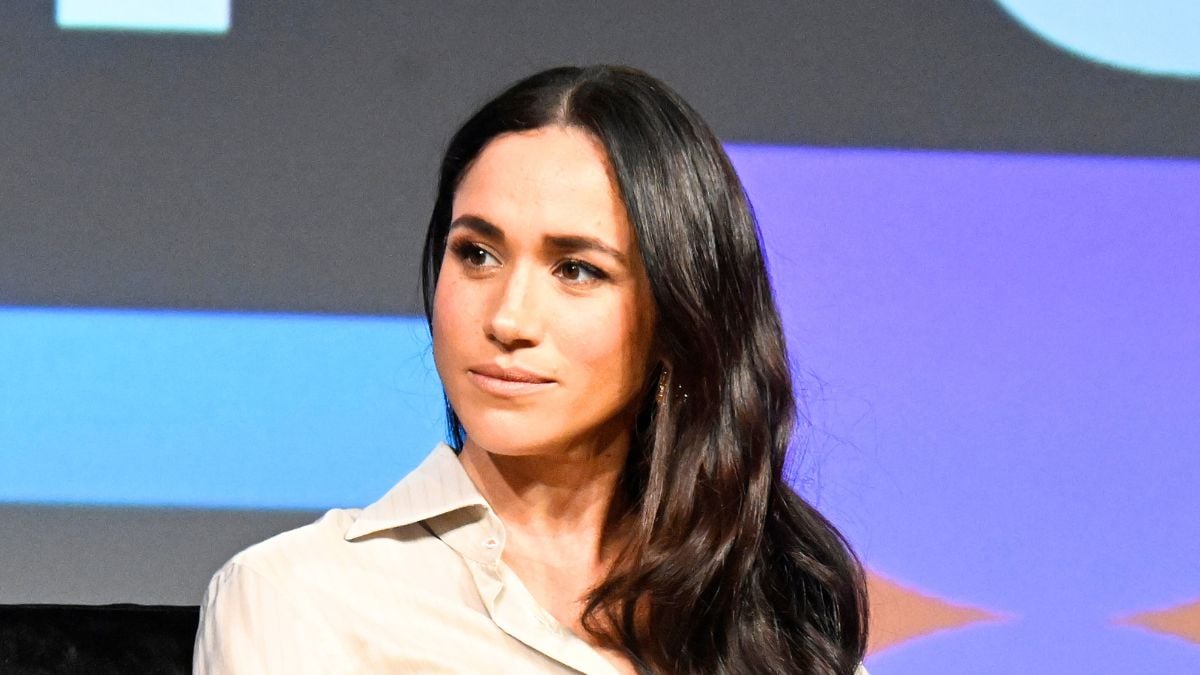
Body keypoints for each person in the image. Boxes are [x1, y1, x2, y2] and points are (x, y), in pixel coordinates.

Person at [195, 65, 868, 674]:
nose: (508, 318)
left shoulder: (777, 631)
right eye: (478, 254)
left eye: (577, 269)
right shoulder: (300, 597)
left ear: (676, 320)